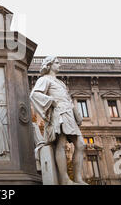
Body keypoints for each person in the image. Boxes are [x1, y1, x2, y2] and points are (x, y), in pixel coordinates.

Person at [30, 56, 87, 185]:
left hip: (68, 113)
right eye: (56, 62)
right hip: (59, 114)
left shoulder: (60, 82)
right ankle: (64, 179)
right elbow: (34, 94)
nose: (59, 65)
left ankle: (78, 178)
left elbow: (68, 99)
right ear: (49, 65)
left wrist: (76, 114)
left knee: (81, 145)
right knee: (60, 144)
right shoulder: (44, 79)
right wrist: (51, 102)